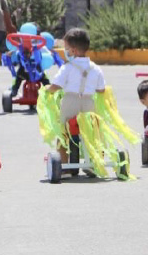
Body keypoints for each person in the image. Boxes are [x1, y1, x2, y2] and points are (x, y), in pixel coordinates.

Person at [45, 28, 106, 162]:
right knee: (91, 132)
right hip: (88, 102)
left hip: (70, 101)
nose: (65, 52)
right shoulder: (95, 68)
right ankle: (94, 162)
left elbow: (56, 86)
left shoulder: (67, 67)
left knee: (64, 131)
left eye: (66, 48)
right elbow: (101, 90)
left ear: (73, 51)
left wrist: (47, 90)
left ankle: (64, 162)